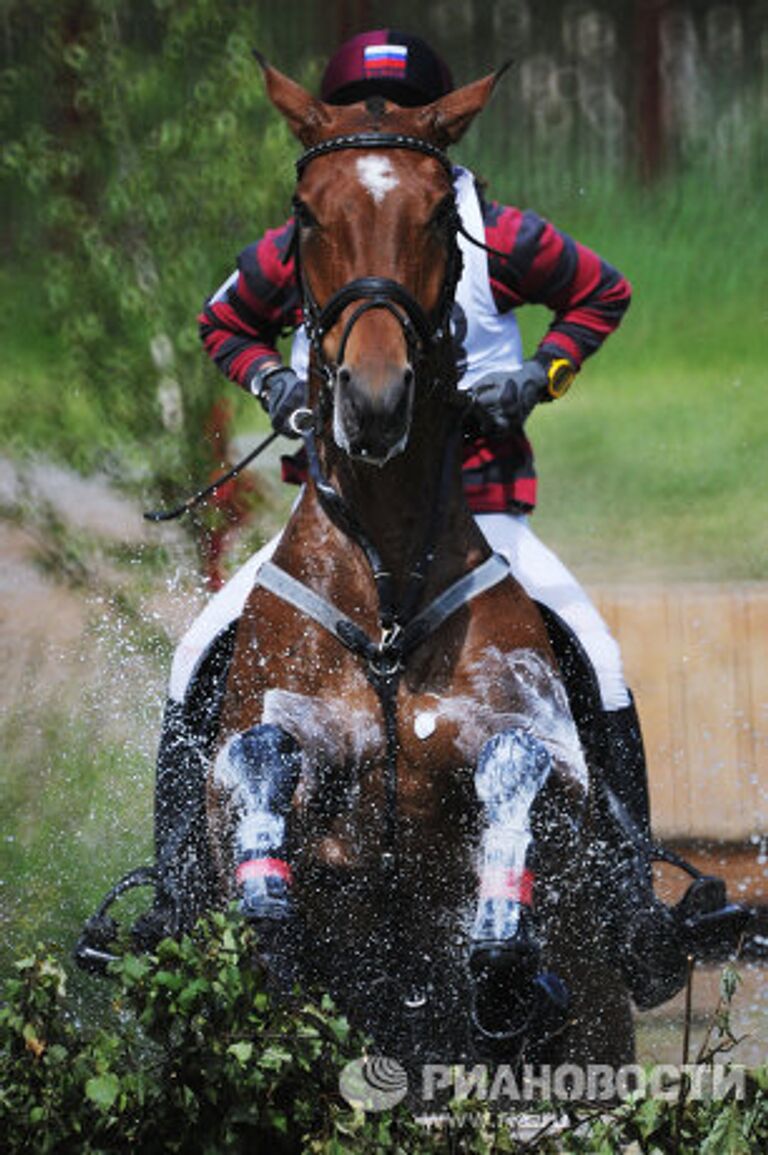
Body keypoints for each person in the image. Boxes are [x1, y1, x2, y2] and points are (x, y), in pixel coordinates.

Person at [143, 30, 713, 1009]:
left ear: (435, 135)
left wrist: (539, 376)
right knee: (196, 650)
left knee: (601, 661)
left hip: (482, 524)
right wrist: (275, 381)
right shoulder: (314, 232)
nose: (378, 133)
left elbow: (601, 292)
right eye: (361, 114)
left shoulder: (495, 231)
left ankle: (630, 909)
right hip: (330, 523)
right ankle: (166, 907)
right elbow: (221, 320)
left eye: (396, 118)